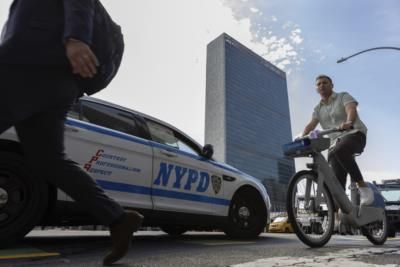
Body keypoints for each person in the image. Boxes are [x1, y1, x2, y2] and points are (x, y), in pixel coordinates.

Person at [0, 0, 142, 265]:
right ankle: (118, 219)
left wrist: (76, 38)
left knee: (49, 159)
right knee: (49, 160)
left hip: (28, 66)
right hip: (58, 79)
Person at [301, 74, 374, 206]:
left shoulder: (343, 96)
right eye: (319, 84)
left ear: (331, 85)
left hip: (354, 134)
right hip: (335, 143)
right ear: (316, 89)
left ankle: (363, 188)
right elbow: (311, 124)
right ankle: (338, 215)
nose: (322, 85)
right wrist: (301, 137)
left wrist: (348, 122)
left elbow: (351, 109)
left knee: (340, 150)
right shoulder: (318, 109)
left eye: (325, 83)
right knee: (335, 180)